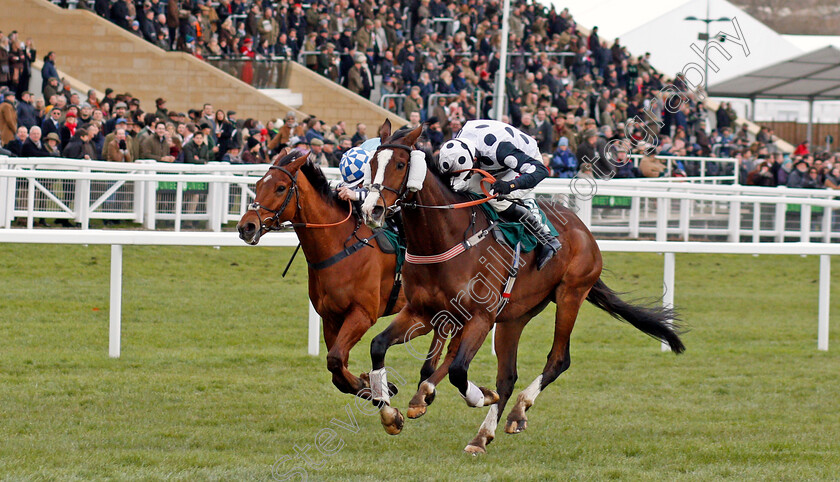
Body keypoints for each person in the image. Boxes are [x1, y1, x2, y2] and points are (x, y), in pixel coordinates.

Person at [437, 119, 561, 269]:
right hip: (494, 162)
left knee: (495, 198)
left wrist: (510, 185)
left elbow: (541, 170)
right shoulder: (458, 144)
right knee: (460, 186)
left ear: (474, 160)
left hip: (527, 161)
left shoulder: (500, 150)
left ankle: (545, 238)